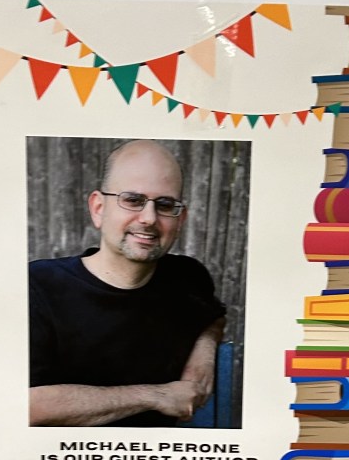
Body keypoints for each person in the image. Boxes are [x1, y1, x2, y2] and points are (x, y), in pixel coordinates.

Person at [29, 140, 225, 427]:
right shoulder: (38, 286)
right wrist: (156, 396)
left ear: (180, 219)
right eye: (133, 200)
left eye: (165, 205)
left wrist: (203, 354)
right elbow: (24, 406)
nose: (149, 218)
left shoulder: (188, 277)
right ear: (98, 208)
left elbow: (214, 317)